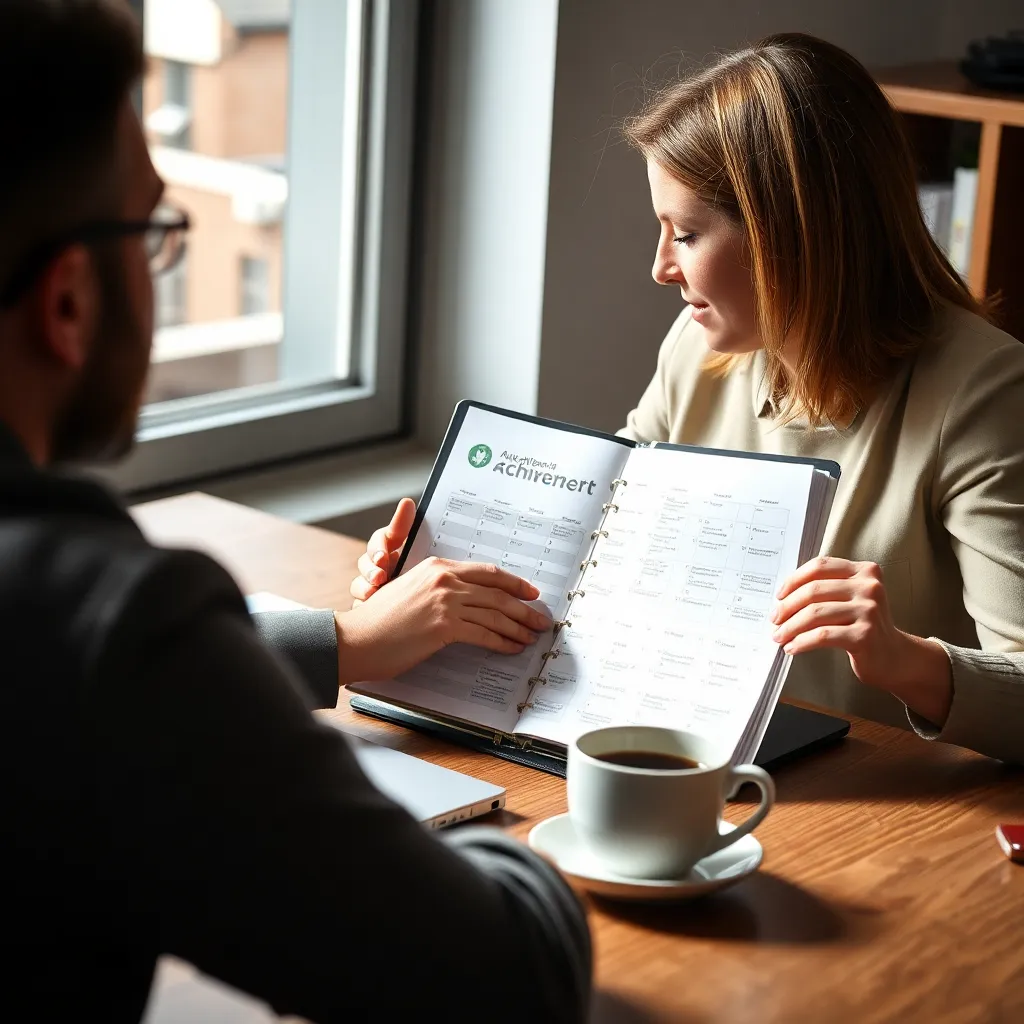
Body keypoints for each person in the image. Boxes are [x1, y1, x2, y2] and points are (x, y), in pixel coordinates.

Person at [0, 2, 590, 1020]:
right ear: (68, 301)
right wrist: (471, 845)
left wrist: (339, 642)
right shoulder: (105, 625)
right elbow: (509, 974)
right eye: (152, 233)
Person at [354, 33, 1024, 765]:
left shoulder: (987, 392)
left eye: (689, 234)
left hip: (877, 796)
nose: (660, 267)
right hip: (687, 764)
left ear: (792, 234)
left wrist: (901, 657)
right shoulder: (698, 349)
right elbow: (597, 543)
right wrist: (429, 573)